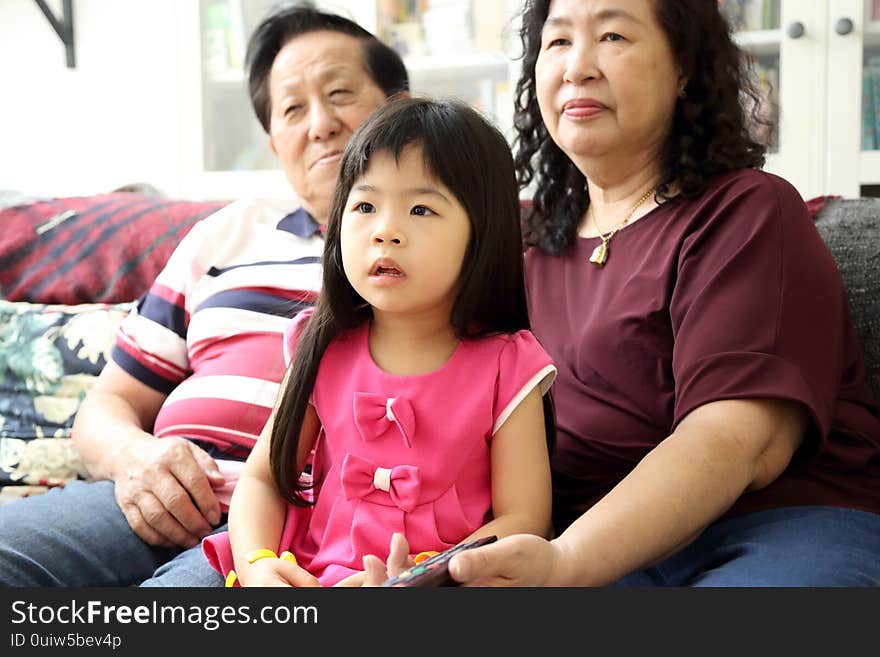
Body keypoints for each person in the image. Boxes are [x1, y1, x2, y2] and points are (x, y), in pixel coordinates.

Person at [378, 0, 880, 587]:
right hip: (582, 544)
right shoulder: (520, 244)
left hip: (773, 528)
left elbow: (737, 440)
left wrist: (567, 564)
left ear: (684, 67)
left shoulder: (746, 211)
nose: (578, 67)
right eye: (558, 42)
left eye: (612, 35)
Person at [0, 5, 409, 587]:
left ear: (400, 108)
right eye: (292, 109)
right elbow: (105, 409)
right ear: (274, 143)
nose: (319, 124)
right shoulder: (227, 234)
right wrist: (137, 461)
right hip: (151, 497)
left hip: (291, 530)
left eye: (341, 93)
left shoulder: (435, 252)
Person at [201, 97, 557, 587]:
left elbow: (525, 520)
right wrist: (260, 564)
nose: (386, 231)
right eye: (365, 205)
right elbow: (262, 479)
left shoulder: (508, 365)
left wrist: (422, 577)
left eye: (420, 209)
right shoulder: (323, 345)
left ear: (483, 235)